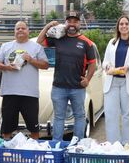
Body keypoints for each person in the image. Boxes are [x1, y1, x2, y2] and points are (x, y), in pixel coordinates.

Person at [37, 13, 97, 141]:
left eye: (75, 22)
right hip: (59, 87)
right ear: (65, 23)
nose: (72, 24)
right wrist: (48, 26)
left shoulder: (87, 43)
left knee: (79, 116)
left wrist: (87, 79)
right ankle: (56, 145)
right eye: (69, 21)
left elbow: (92, 63)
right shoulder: (59, 38)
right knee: (59, 117)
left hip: (78, 88)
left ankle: (78, 144)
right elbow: (39, 41)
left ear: (79, 24)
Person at [0, 21, 49, 139]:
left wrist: (31, 60)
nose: (20, 30)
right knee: (7, 128)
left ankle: (34, 150)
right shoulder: (6, 46)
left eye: (23, 28)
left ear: (28, 31)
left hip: (29, 93)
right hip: (9, 92)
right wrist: (6, 67)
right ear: (14, 31)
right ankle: (7, 150)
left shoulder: (36, 47)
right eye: (17, 28)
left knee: (34, 128)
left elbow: (45, 65)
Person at [101, 15, 129, 145]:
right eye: (121, 24)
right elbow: (105, 61)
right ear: (118, 27)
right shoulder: (112, 42)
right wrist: (108, 66)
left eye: (126, 24)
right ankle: (114, 147)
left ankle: (127, 146)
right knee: (110, 115)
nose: (124, 26)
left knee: (128, 116)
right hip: (112, 82)